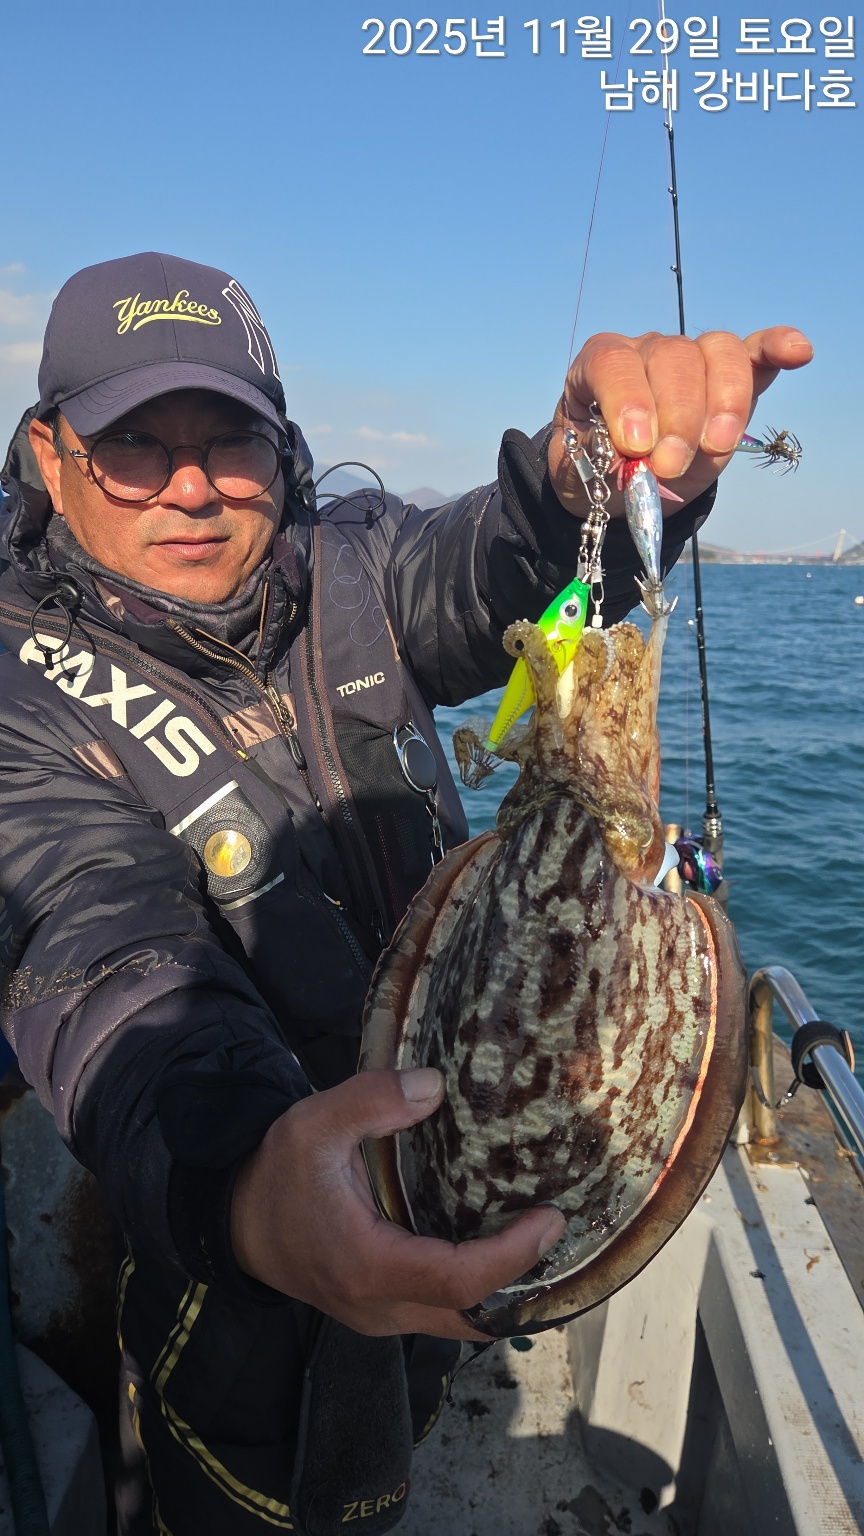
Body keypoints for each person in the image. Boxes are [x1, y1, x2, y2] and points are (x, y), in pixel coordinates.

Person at [0, 251, 811, 1535]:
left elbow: (510, 566)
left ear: (284, 450)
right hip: (245, 1254)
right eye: (133, 447)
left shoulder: (354, 571)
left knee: (408, 1412)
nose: (193, 486)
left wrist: (591, 474)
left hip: (446, 1155)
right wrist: (252, 1194)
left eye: (231, 441)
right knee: (265, 1488)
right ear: (52, 458)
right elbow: (106, 962)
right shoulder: (23, 705)